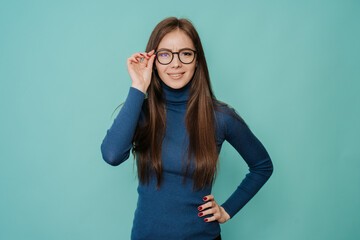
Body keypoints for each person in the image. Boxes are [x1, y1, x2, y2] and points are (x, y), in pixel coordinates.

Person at [100, 17, 274, 240]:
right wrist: (138, 85)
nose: (175, 63)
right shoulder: (141, 112)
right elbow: (112, 155)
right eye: (165, 54)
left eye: (185, 53)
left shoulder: (221, 117)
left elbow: (262, 165)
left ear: (197, 61)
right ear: (152, 60)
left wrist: (227, 209)